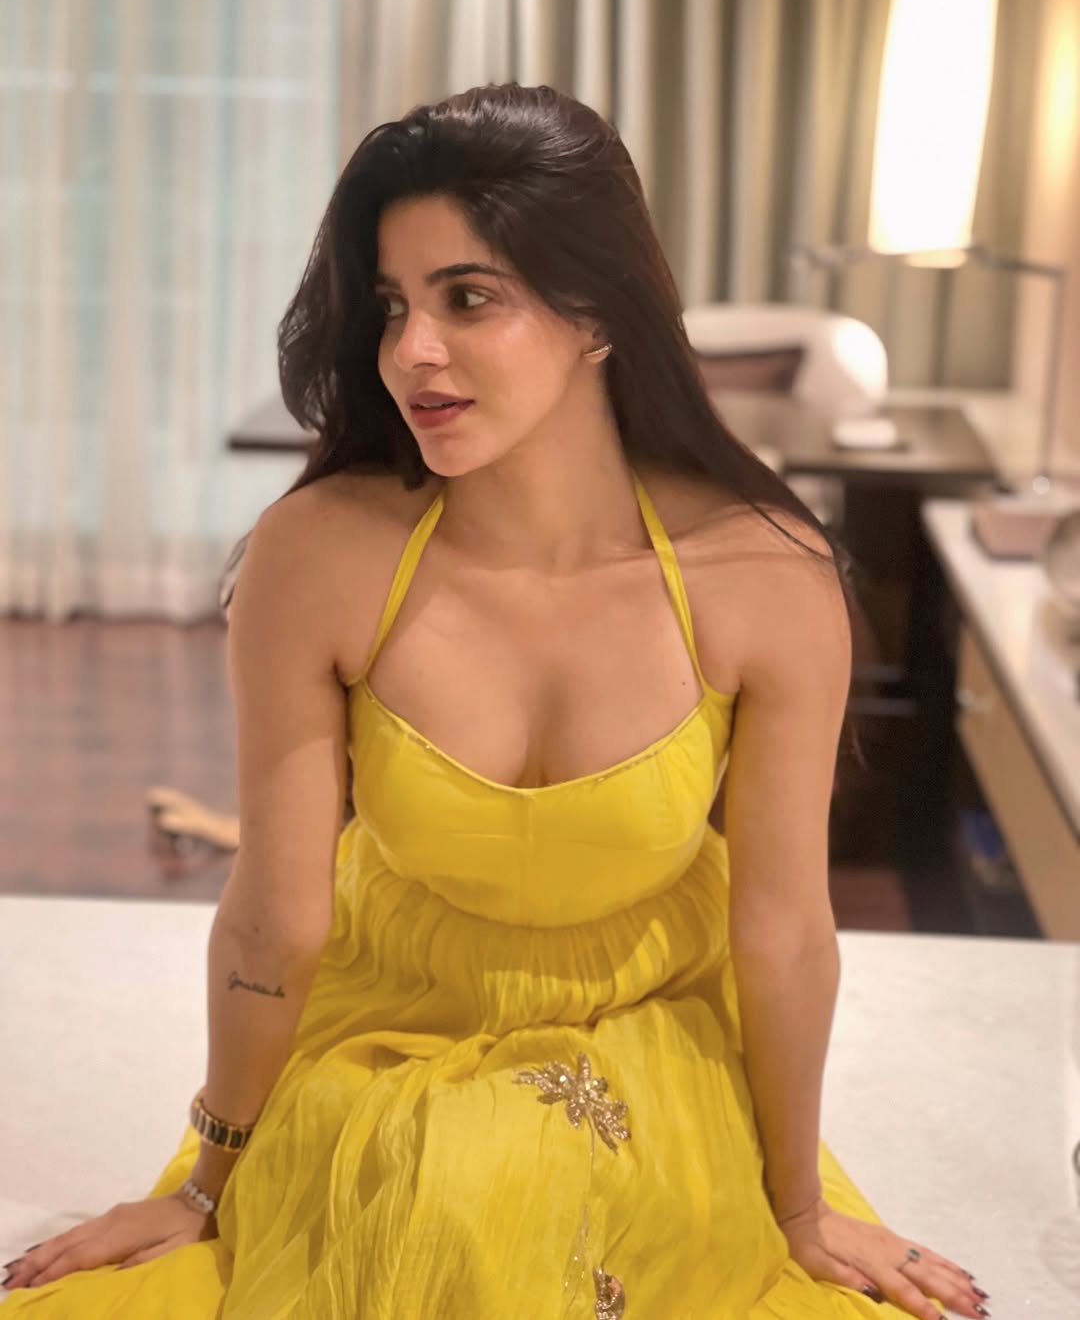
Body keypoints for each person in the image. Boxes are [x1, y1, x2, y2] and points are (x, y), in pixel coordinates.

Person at [0, 83, 989, 1320]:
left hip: (650, 1039)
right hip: (390, 1033)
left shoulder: (762, 576)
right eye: (391, 306)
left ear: (598, 315)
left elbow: (784, 931)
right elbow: (272, 919)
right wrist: (205, 1185)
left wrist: (798, 1208)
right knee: (442, 1212)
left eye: (469, 298)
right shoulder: (320, 556)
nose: (412, 350)